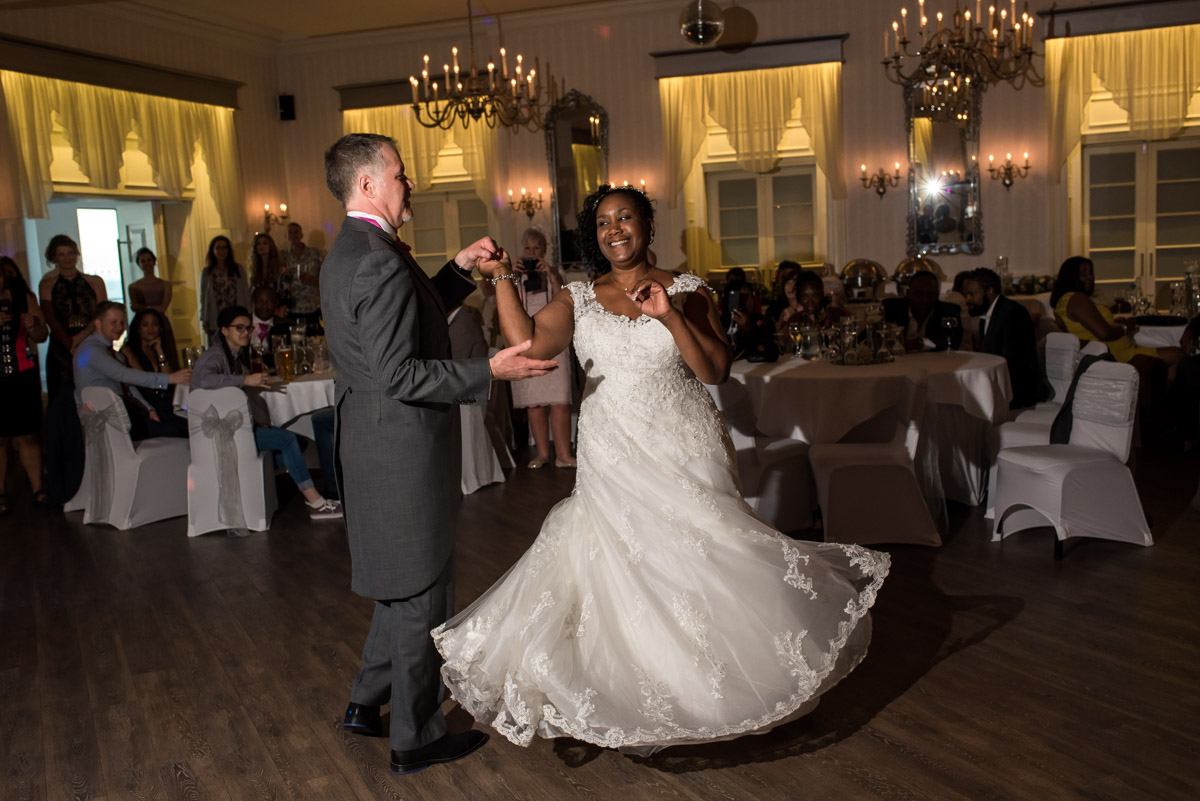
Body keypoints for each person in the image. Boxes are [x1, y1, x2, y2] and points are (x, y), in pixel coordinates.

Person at [434, 183, 889, 755]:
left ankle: (718, 690)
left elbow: (716, 371)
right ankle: (642, 689)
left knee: (704, 555)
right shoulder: (579, 296)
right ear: (593, 235)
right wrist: (502, 278)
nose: (614, 229)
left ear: (649, 225)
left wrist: (670, 315)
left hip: (683, 442)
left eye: (626, 217)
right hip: (612, 446)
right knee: (626, 564)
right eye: (602, 222)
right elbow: (528, 344)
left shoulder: (688, 287)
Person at [319, 132, 557, 776]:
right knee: (424, 592)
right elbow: (401, 372)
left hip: (373, 444)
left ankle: (366, 704)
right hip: (398, 450)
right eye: (399, 173)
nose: (410, 183)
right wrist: (489, 370)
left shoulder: (351, 251)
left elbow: (407, 321)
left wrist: (456, 270)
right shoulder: (374, 258)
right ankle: (416, 737)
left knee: (401, 586)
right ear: (368, 184)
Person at [191, 305, 342, 521]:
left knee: (299, 443)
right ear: (224, 330)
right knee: (288, 440)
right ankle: (316, 502)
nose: (245, 332)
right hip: (222, 432)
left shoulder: (234, 355)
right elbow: (204, 380)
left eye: (248, 328)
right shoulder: (215, 354)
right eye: (239, 328)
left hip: (236, 425)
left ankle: (256, 478)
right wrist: (245, 380)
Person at [73, 302, 192, 439]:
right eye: (114, 322)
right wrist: (170, 378)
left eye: (122, 322)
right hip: (107, 423)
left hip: (123, 415)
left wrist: (148, 409)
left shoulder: (113, 353)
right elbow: (124, 375)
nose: (119, 327)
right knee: (175, 432)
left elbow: (128, 387)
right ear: (98, 323)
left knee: (180, 427)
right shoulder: (91, 350)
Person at [510, 227, 574, 468]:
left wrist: (552, 276)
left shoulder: (556, 273)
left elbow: (565, 302)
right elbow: (510, 309)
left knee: (560, 400)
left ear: (544, 251)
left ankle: (563, 455)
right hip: (527, 339)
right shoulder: (515, 277)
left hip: (555, 337)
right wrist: (512, 279)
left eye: (537, 248)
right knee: (533, 402)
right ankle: (542, 454)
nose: (532, 253)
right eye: (528, 248)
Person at [1051, 256, 1183, 370]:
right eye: (1083, 273)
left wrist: (1115, 324)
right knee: (1179, 355)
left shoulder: (1068, 301)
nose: (1090, 277)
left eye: (1090, 272)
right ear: (1071, 277)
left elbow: (1091, 327)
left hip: (1121, 352)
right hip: (1120, 357)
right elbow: (1104, 333)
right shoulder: (1076, 299)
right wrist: (1125, 328)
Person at [0, 257, 51, 514]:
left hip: (22, 374)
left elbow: (43, 336)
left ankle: (38, 490)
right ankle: (1, 495)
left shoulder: (23, 296)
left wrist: (34, 326)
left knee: (27, 436)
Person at [963, 268, 1047, 410]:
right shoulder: (988, 314)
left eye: (972, 294)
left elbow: (1013, 364)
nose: (967, 300)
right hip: (1001, 387)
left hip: (1018, 394)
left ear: (990, 291)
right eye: (966, 295)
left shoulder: (1012, 314)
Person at [39, 234, 107, 400]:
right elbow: (50, 318)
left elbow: (102, 313)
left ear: (76, 254)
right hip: (61, 346)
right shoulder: (47, 284)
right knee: (64, 393)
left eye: (70, 253)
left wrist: (80, 338)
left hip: (91, 340)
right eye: (61, 254)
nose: (67, 258)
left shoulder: (95, 282)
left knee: (96, 391)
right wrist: (69, 343)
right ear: (54, 257)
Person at [120, 308, 188, 438]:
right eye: (145, 325)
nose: (150, 328)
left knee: (192, 421)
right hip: (146, 402)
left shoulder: (158, 349)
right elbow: (144, 380)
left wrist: (159, 351)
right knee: (179, 429)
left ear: (161, 328)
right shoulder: (128, 351)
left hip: (166, 400)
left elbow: (170, 381)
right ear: (138, 328)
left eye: (155, 324)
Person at [883, 270, 962, 351]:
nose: (924, 300)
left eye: (930, 294)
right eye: (918, 293)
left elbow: (953, 342)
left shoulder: (948, 311)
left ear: (937, 295)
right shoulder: (891, 309)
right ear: (908, 293)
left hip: (934, 362)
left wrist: (918, 344)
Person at [199, 235, 251, 344]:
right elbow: (203, 298)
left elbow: (246, 294)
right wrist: (204, 319)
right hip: (216, 316)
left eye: (224, 248)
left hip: (236, 315)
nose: (221, 251)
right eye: (218, 247)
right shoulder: (207, 273)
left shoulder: (238, 270)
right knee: (218, 347)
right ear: (213, 250)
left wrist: (248, 314)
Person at [282, 222, 324, 333]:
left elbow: (326, 279)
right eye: (290, 232)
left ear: (302, 235)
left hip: (312, 306)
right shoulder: (282, 256)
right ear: (286, 235)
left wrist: (312, 280)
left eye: (296, 232)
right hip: (291, 308)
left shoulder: (315, 254)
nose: (293, 235)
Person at [774, 269, 847, 332]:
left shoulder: (836, 315)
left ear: (822, 295)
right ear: (799, 298)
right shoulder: (795, 320)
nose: (810, 302)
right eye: (805, 296)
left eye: (815, 296)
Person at [249, 284, 290, 368]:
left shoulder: (285, 325)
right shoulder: (242, 324)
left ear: (276, 303)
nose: (264, 306)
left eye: (269, 301)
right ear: (253, 302)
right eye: (260, 301)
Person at [250, 233, 286, 306]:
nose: (261, 246)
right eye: (258, 244)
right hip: (258, 310)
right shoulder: (254, 270)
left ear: (270, 246)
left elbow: (285, 296)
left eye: (265, 243)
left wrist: (280, 316)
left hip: (276, 310)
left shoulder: (281, 270)